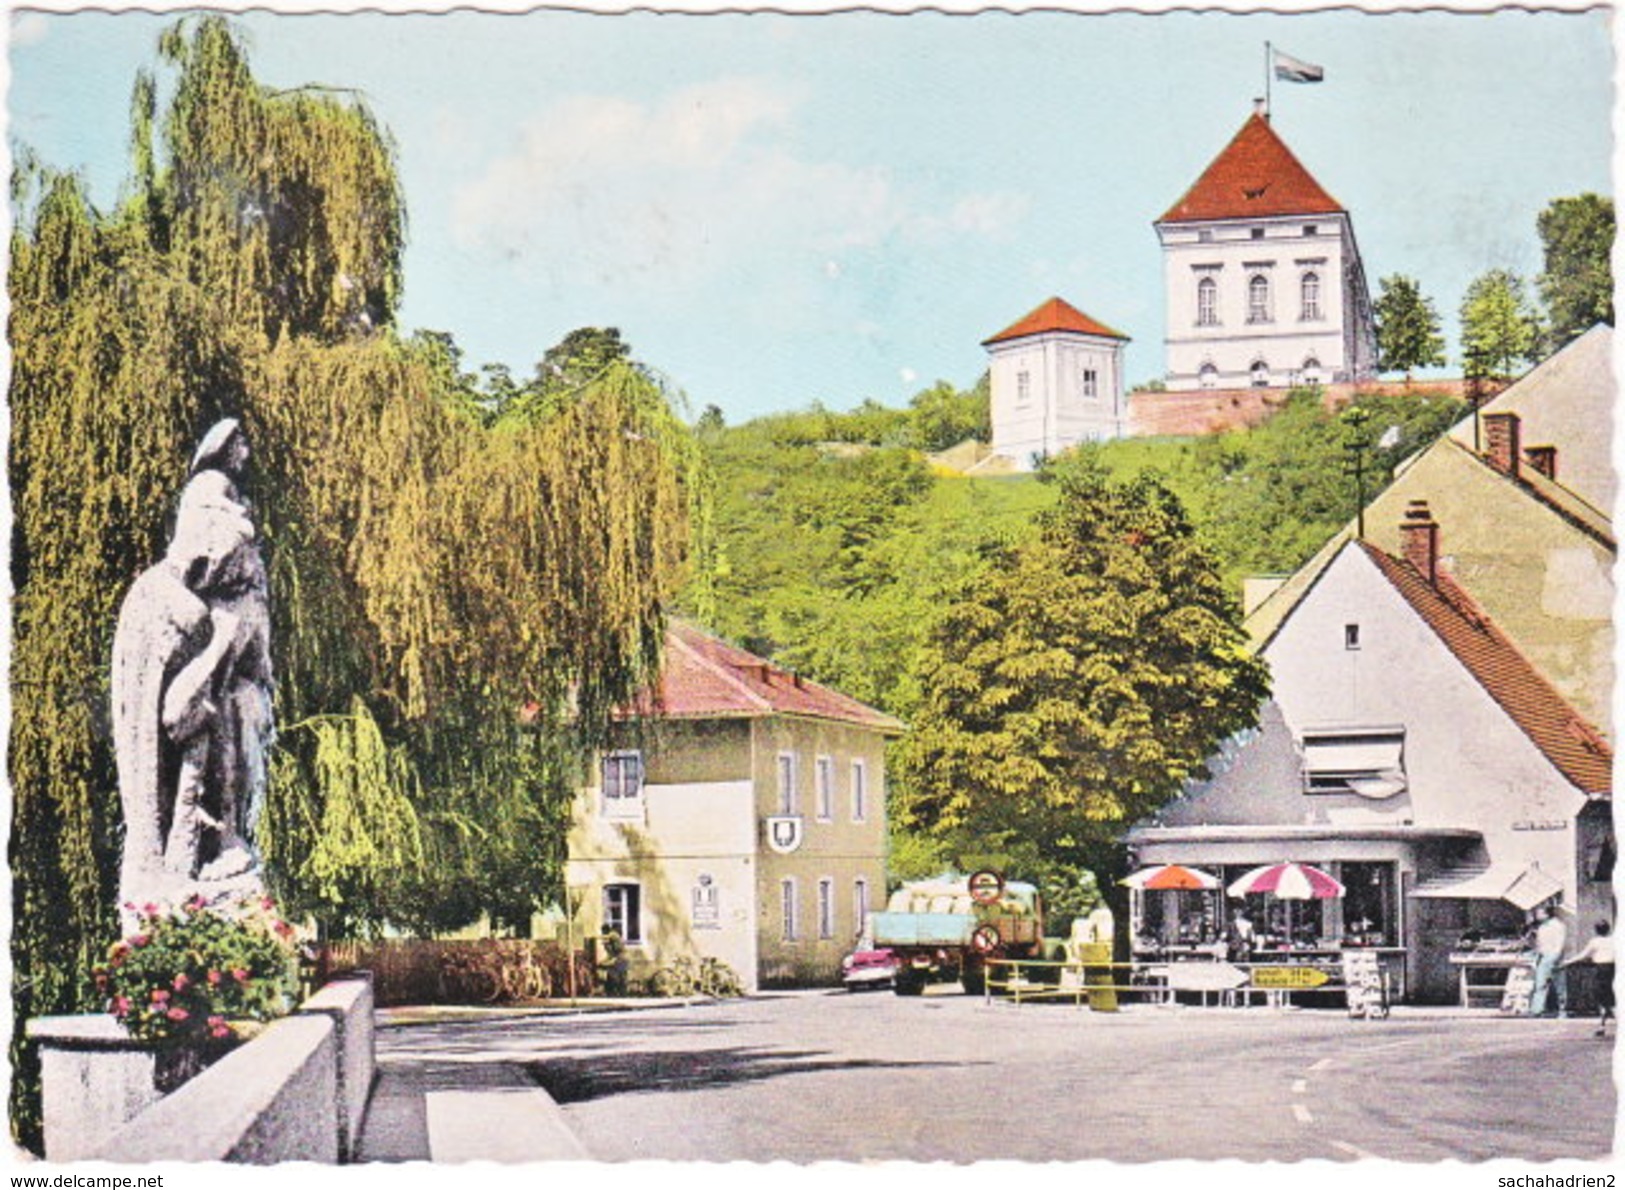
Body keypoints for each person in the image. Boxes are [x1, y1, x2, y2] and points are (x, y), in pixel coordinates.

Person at [1561, 921, 1615, 1036]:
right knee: (1610, 998)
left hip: (1601, 970)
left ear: (1596, 930)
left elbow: (1583, 955)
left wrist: (1568, 962)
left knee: (1604, 999)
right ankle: (1602, 1025)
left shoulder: (1595, 942)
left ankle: (1603, 1025)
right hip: (1613, 969)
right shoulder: (1614, 941)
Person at [1527, 904, 1569, 1018]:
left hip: (1555, 956)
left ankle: (1562, 1009)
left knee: (1559, 985)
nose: (1536, 916)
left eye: (1539, 913)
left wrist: (1555, 957)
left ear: (1546, 913)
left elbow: (1560, 943)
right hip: (1544, 956)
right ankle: (1537, 1009)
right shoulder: (1541, 927)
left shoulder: (1558, 926)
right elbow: (1539, 945)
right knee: (1540, 984)